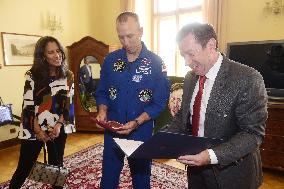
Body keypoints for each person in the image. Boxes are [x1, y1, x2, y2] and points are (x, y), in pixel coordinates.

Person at [162, 23, 268, 189]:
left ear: (211, 45)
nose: (186, 62)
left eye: (191, 54)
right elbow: (183, 117)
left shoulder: (247, 78)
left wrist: (210, 156)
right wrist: (161, 139)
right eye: (183, 55)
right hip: (195, 170)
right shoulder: (191, 78)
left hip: (232, 174)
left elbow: (252, 134)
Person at [95, 11, 170, 189]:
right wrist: (102, 111)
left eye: (130, 36)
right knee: (108, 179)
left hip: (140, 132)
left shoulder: (156, 63)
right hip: (112, 131)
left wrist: (137, 122)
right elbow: (102, 91)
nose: (126, 42)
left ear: (141, 31)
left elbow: (159, 102)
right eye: (121, 37)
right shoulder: (110, 61)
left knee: (141, 180)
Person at [9, 36, 75, 189]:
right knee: (24, 167)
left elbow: (68, 104)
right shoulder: (32, 76)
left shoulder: (68, 75)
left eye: (58, 51)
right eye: (51, 52)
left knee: (56, 167)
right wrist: (38, 131)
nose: (57, 55)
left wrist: (58, 125)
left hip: (57, 128)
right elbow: (28, 105)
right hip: (33, 127)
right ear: (43, 56)